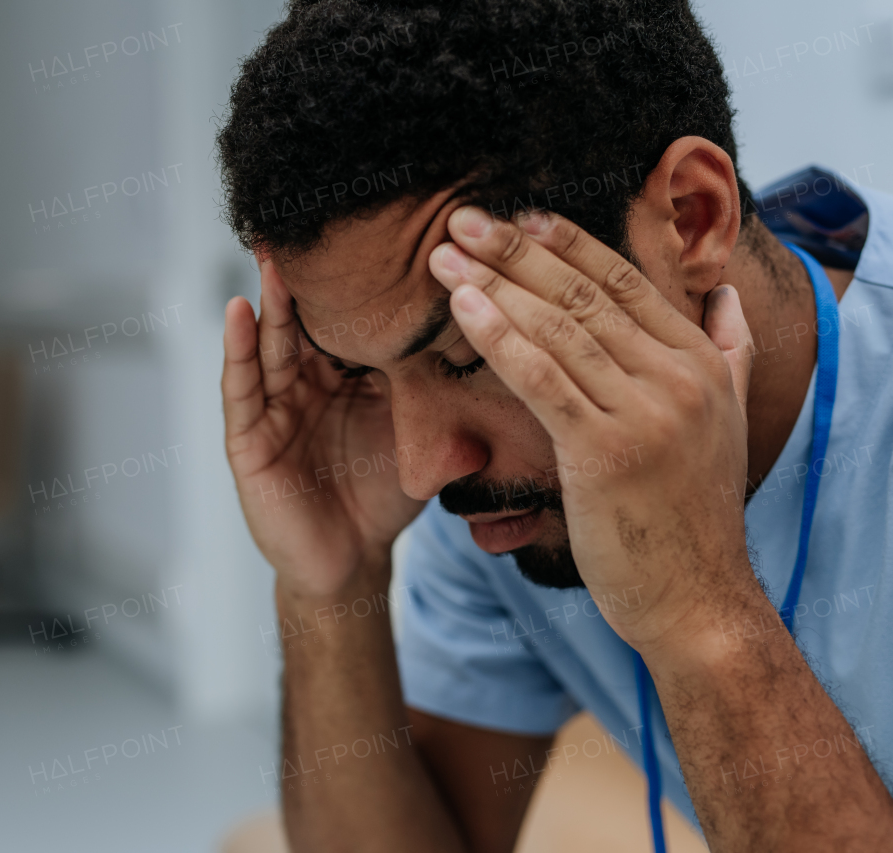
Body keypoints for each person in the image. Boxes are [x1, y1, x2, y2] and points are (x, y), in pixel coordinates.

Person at [216, 1, 893, 850]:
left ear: (691, 218)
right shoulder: (506, 484)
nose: (423, 469)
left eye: (470, 354)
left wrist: (699, 605)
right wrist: (332, 588)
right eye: (364, 373)